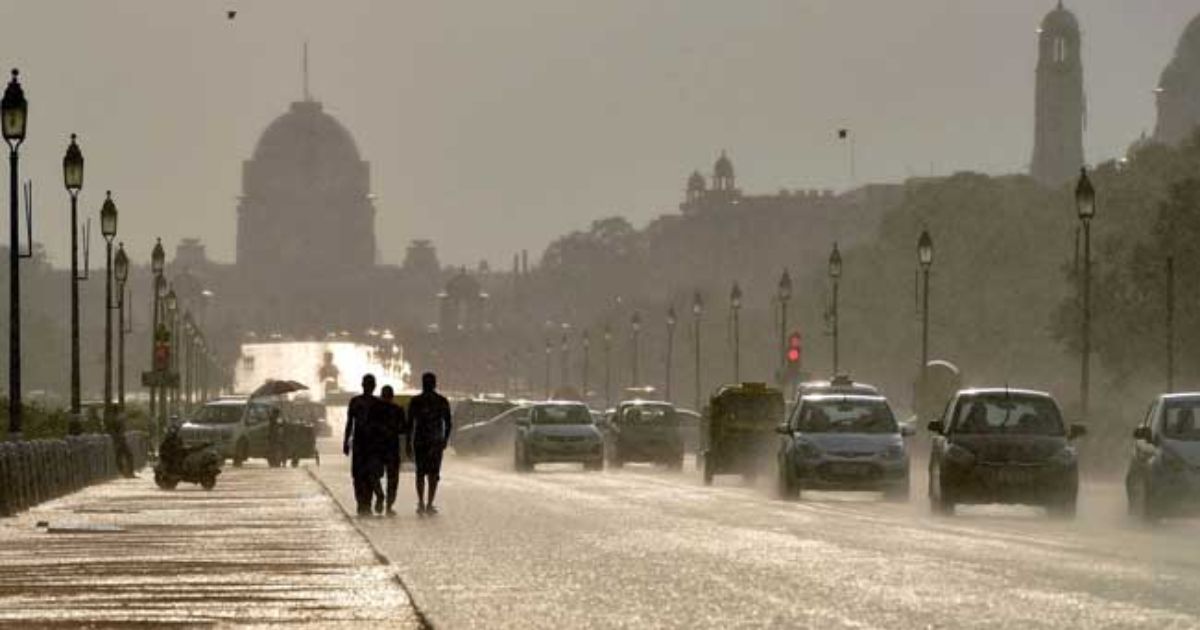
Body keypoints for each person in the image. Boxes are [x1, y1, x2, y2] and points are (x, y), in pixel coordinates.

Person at [408, 372, 452, 515]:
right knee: (433, 474)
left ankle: (422, 502)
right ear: (434, 384)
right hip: (434, 442)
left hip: (421, 441)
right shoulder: (441, 401)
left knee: (421, 473)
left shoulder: (416, 401)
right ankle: (429, 503)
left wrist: (409, 442)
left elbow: (410, 424)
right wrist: (445, 439)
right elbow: (448, 423)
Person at [344, 374, 383, 516]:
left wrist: (346, 442)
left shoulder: (355, 402)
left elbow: (349, 424)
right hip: (370, 444)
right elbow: (381, 426)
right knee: (369, 475)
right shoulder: (377, 403)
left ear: (363, 385)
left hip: (362, 444)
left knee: (360, 476)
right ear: (374, 386)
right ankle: (366, 502)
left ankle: (362, 503)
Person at [374, 386, 409, 516]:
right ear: (392, 396)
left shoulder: (375, 409)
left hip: (377, 447)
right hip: (392, 448)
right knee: (393, 479)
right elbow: (404, 429)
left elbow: (370, 427)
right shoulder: (397, 410)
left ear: (382, 395)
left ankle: (379, 495)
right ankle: (389, 506)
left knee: (375, 475)